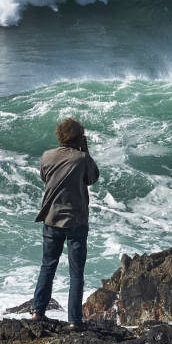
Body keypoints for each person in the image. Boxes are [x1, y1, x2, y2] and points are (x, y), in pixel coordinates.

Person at [31, 117, 99, 326]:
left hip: (51, 218)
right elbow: (93, 178)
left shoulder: (47, 156)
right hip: (76, 221)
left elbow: (45, 177)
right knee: (76, 273)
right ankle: (74, 320)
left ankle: (37, 312)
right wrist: (85, 151)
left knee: (47, 267)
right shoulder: (81, 158)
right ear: (79, 137)